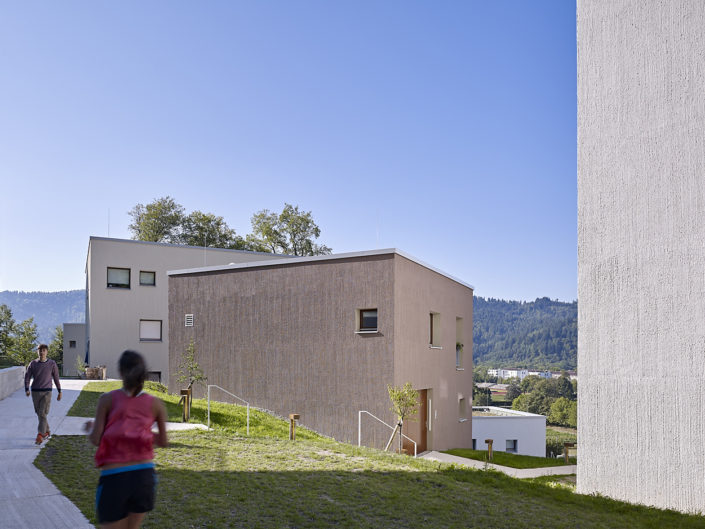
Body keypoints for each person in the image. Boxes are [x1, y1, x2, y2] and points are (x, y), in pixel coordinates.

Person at [85, 350, 168, 529]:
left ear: (121, 372)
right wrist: (140, 434)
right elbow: (163, 441)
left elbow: (96, 439)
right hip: (144, 477)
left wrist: (90, 429)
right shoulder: (156, 403)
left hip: (115, 478)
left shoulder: (106, 400)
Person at [25, 343, 62, 445]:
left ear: (47, 352)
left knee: (42, 413)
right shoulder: (32, 364)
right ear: (37, 352)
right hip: (35, 392)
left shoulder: (52, 364)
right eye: (40, 350)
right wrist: (27, 389)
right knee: (40, 413)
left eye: (44, 350)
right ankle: (47, 431)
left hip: (47, 392)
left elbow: (56, 378)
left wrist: (59, 391)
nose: (42, 352)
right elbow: (27, 377)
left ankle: (40, 435)